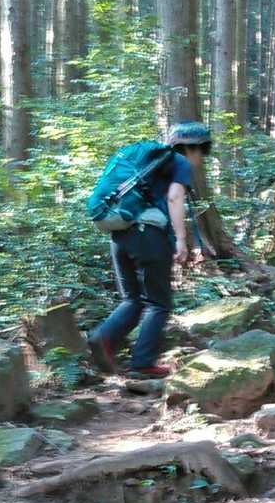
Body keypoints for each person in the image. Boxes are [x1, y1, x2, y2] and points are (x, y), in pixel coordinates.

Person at [88, 121, 212, 378]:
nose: (202, 158)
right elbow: (175, 197)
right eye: (203, 150)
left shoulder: (150, 164)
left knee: (132, 299)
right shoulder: (179, 162)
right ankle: (143, 363)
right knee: (159, 303)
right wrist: (181, 239)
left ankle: (103, 337)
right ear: (191, 148)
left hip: (120, 235)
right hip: (149, 237)